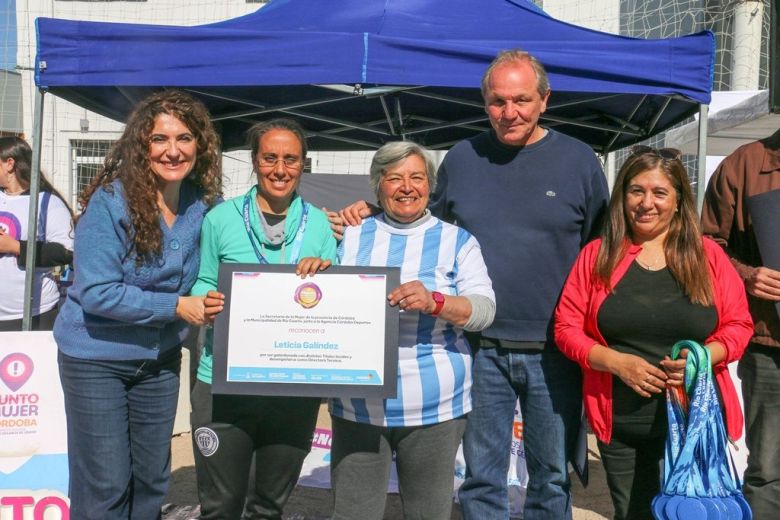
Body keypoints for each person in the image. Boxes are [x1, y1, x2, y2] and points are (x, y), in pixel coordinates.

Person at [336, 49, 609, 519]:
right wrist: (367, 210)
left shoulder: (579, 161)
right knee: (482, 476)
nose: (510, 113)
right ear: (485, 104)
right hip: (478, 347)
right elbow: (421, 220)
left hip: (554, 349)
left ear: (544, 99)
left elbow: (599, 252)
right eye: (498, 101)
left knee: (551, 474)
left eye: (521, 100)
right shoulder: (463, 158)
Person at [554, 146, 753, 519]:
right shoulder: (597, 255)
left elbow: (739, 325)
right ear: (622, 196)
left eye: (660, 193)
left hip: (696, 422)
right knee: (632, 514)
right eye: (636, 191)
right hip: (621, 423)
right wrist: (614, 362)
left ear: (678, 201)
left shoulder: (707, 256)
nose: (647, 203)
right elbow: (567, 328)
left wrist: (701, 358)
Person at [53, 90, 223, 520]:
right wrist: (176, 307)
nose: (173, 150)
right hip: (96, 357)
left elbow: (246, 233)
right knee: (106, 483)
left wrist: (344, 218)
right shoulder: (110, 203)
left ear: (199, 145)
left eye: (184, 138)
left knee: (151, 480)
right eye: (159, 139)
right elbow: (96, 293)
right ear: (141, 145)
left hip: (159, 360)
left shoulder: (203, 205)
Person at [303, 141, 495, 520]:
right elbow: (324, 302)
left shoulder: (457, 241)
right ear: (378, 186)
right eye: (394, 178)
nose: (406, 187)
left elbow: (485, 311)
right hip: (359, 406)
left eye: (416, 177)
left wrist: (436, 302)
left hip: (434, 406)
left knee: (429, 513)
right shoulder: (351, 234)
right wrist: (315, 272)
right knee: (353, 513)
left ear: (430, 185)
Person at [189, 118, 338, 520]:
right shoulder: (221, 218)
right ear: (255, 161)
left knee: (270, 506)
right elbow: (204, 278)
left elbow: (336, 294)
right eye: (270, 158)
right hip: (224, 379)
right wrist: (208, 300)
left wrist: (326, 272)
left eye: (291, 159)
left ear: (303, 165)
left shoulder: (319, 223)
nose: (280, 169)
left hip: (292, 385)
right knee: (220, 505)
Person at [701, 128, 780, 518]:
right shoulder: (744, 164)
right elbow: (707, 246)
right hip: (769, 345)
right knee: (768, 469)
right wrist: (748, 275)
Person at [0, 136, 73, 331]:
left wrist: (15, 247)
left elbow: (67, 251)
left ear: (9, 164)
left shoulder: (46, 202)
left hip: (34, 313)